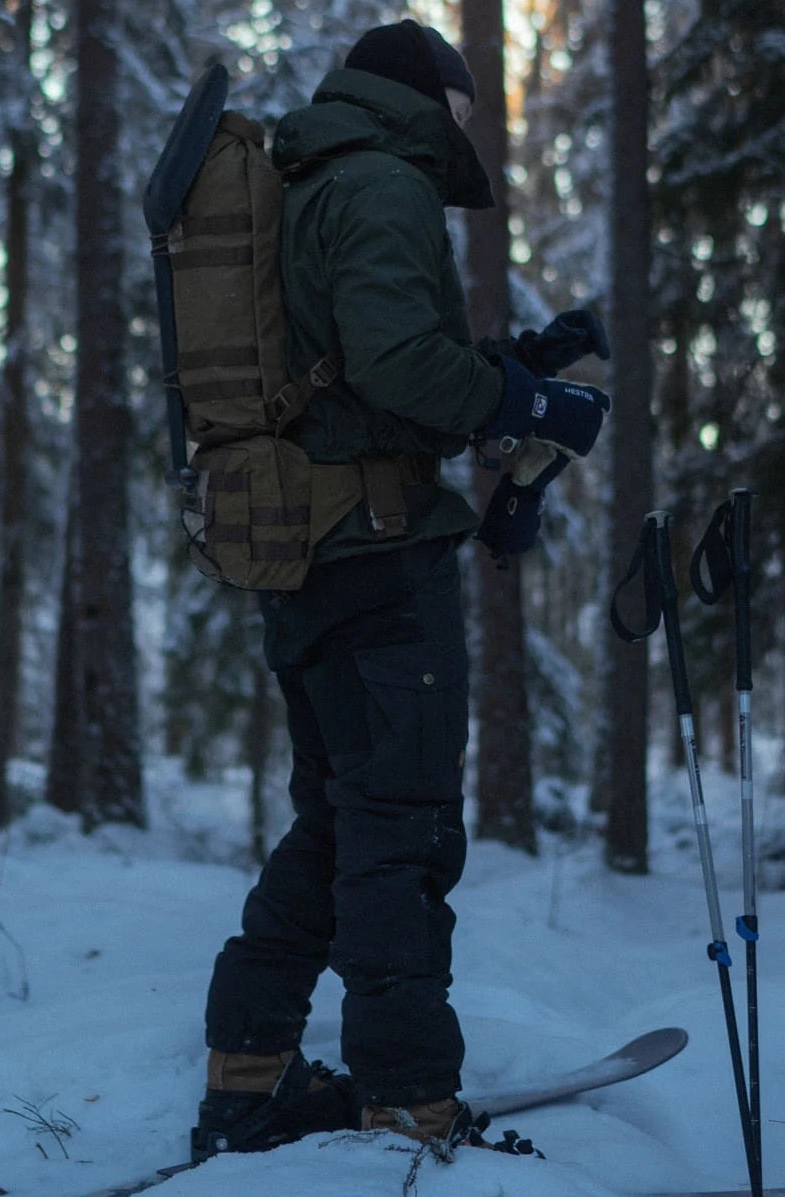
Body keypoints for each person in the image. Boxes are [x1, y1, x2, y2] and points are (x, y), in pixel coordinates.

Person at [191, 19, 612, 1163]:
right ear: (423, 96)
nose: (469, 129)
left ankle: (249, 1078)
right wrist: (537, 407)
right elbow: (392, 365)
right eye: (463, 107)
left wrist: (519, 361)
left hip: (313, 557)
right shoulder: (380, 180)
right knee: (402, 836)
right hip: (378, 564)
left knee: (335, 827)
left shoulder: (314, 178)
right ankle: (408, 1102)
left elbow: (356, 372)